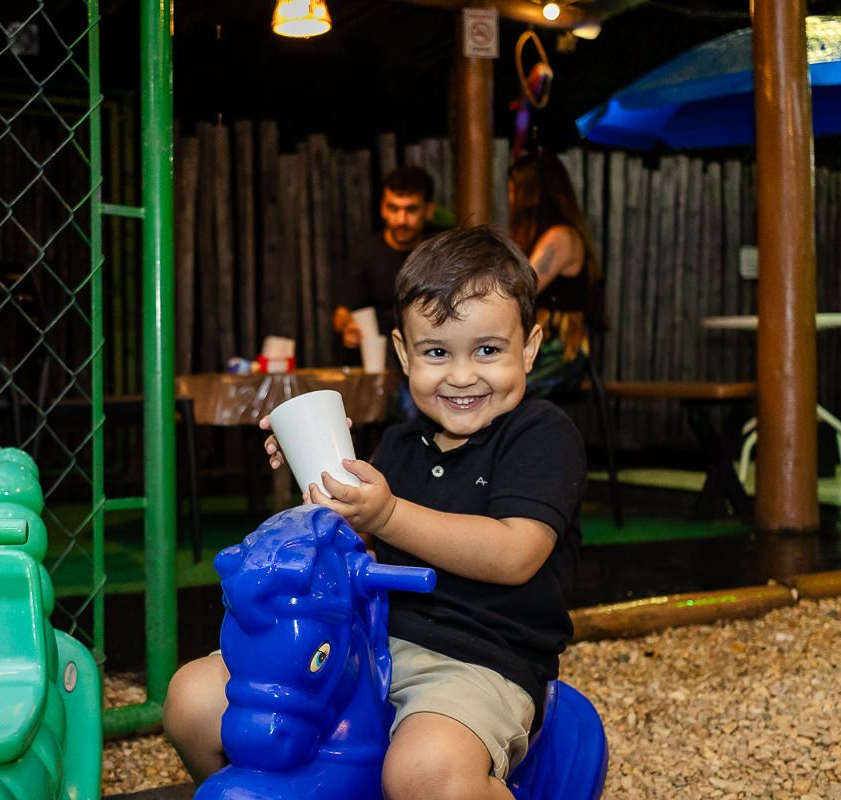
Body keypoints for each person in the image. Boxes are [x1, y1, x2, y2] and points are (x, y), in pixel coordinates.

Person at [164, 226, 587, 800]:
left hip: (477, 659)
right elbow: (355, 557)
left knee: (423, 772)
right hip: (366, 640)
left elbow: (515, 553)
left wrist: (386, 515)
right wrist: (321, 485)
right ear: (403, 352)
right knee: (192, 701)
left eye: (487, 350)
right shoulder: (398, 447)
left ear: (530, 348)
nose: (462, 376)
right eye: (437, 352)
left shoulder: (541, 434)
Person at [508, 149, 604, 396]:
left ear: (530, 195)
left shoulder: (559, 238)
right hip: (538, 348)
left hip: (559, 351)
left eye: (512, 191)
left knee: (500, 391)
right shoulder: (544, 237)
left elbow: (519, 288)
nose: (510, 199)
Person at [332, 165, 436, 350]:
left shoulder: (438, 253)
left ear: (428, 210)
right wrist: (349, 327)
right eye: (393, 208)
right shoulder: (364, 254)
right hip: (381, 357)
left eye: (411, 210)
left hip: (430, 351)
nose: (401, 220)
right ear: (383, 209)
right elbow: (341, 314)